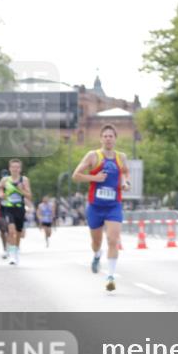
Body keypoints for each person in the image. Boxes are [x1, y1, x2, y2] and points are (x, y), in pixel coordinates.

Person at [72, 125, 131, 292]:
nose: (108, 138)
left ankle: (110, 276)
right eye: (105, 136)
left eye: (111, 136)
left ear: (115, 138)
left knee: (113, 240)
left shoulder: (121, 157)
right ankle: (97, 255)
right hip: (95, 205)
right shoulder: (93, 155)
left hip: (114, 205)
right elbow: (75, 175)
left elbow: (126, 173)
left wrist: (126, 183)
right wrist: (94, 177)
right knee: (96, 241)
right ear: (100, 139)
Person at [0, 159, 33, 265]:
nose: (15, 169)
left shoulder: (24, 180)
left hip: (20, 208)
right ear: (10, 168)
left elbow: (29, 196)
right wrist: (1, 194)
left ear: (20, 169)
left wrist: (22, 190)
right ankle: (12, 255)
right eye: (13, 167)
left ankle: (16, 250)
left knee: (18, 233)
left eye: (17, 167)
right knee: (11, 231)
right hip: (9, 208)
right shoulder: (5, 180)